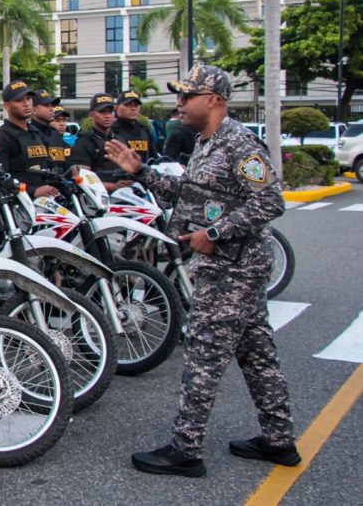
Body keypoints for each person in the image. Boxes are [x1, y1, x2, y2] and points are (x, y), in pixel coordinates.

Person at [106, 64, 298, 478]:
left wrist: (215, 232)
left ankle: (186, 448)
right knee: (257, 354)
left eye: (187, 96)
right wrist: (140, 172)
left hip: (233, 269)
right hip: (227, 266)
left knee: (203, 355)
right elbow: (191, 193)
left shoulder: (239, 144)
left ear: (213, 100)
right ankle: (279, 439)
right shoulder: (206, 144)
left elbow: (270, 202)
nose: (180, 102)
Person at [0, 80, 56, 197]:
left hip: (46, 201)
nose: (27, 104)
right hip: (18, 205)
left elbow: (48, 166)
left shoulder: (36, 132)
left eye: (28, 98)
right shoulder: (0, 137)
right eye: (19, 100)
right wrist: (32, 191)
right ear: (7, 106)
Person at [68, 92, 133, 191]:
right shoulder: (84, 143)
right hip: (98, 198)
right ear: (92, 114)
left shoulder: (121, 139)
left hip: (127, 193)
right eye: (102, 112)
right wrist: (112, 186)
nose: (107, 116)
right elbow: (79, 178)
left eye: (110, 111)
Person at [111, 89, 154, 164]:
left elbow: (153, 156)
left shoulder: (144, 129)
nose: (133, 108)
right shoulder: (111, 130)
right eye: (128, 105)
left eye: (136, 105)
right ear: (117, 108)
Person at [31, 89, 69, 169]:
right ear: (34, 110)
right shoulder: (28, 133)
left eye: (52, 105)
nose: (52, 109)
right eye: (46, 105)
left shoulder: (55, 134)